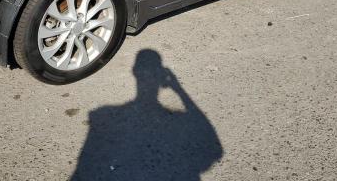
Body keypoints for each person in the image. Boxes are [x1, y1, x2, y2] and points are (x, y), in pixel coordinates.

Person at [71, 49, 223, 181]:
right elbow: (214, 150)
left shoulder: (100, 114)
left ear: (134, 72)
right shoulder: (176, 121)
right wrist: (179, 90)